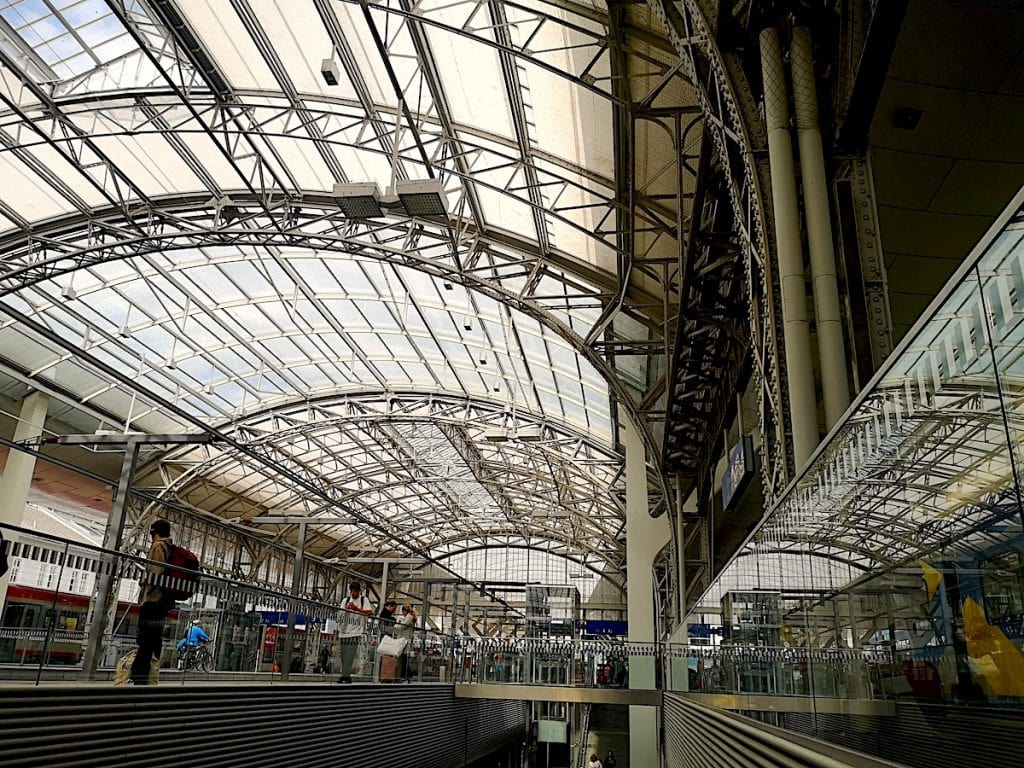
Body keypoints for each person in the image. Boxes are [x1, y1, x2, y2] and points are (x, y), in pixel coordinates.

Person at [130, 519, 175, 685]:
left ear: (154, 533)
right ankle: (150, 675)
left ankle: (139, 677)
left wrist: (145, 583)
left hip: (153, 599)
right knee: (154, 638)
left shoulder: (158, 547)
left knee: (145, 639)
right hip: (163, 601)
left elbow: (156, 571)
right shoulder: (170, 547)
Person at [337, 581, 373, 683]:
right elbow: (339, 614)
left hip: (356, 632)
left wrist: (356, 608)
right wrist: (346, 610)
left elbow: (369, 612)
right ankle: (345, 675)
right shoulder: (345, 600)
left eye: (356, 591)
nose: (354, 594)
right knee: (343, 655)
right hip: (343, 631)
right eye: (352, 591)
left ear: (359, 591)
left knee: (350, 654)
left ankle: (345, 676)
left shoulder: (363, 600)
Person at [396, 603, 417, 682]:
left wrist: (396, 625)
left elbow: (402, 626)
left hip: (405, 641)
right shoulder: (409, 617)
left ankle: (407, 675)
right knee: (404, 659)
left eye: (403, 611)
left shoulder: (409, 617)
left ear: (405, 611)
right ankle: (408, 675)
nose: (402, 613)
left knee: (404, 659)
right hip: (404, 640)